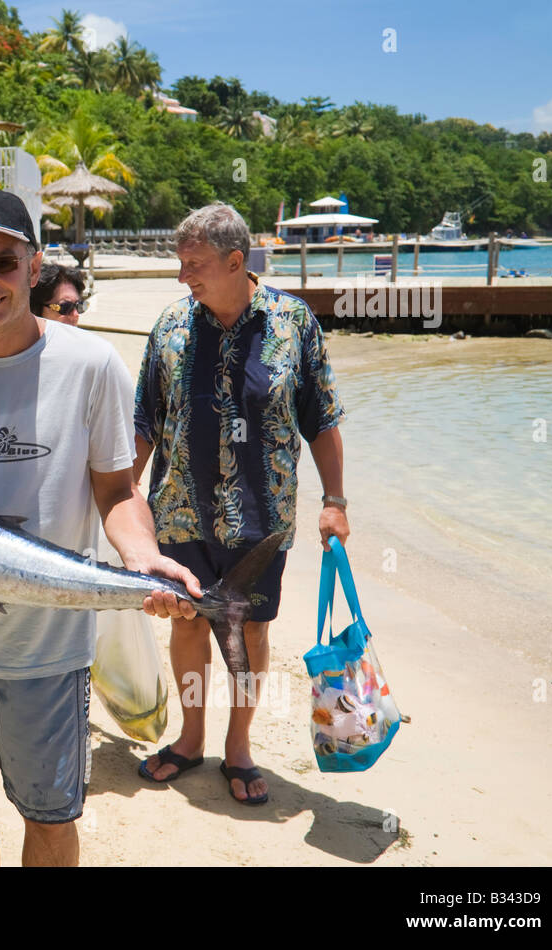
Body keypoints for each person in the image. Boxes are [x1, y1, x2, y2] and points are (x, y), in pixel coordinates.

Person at [0, 188, 202, 867]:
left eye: (3, 262)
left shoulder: (92, 366)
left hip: (50, 651)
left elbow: (117, 491)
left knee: (49, 818)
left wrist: (143, 557)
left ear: (34, 267)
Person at [133, 202, 348, 805]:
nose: (183, 278)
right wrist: (118, 500)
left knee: (251, 630)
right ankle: (190, 737)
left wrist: (336, 501)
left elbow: (322, 420)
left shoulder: (294, 323)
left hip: (262, 520)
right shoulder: (171, 327)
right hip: (180, 508)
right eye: (180, 265)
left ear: (236, 261)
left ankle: (239, 746)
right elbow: (144, 422)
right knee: (188, 624)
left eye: (194, 265)